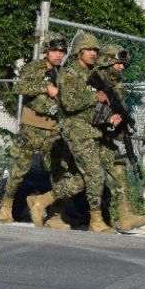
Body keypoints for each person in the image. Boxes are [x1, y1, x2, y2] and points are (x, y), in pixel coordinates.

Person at [0, 34, 67, 227]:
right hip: (31, 126)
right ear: (46, 51)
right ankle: (6, 206)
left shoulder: (65, 73)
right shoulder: (33, 68)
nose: (58, 55)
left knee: (59, 171)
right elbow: (20, 87)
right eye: (54, 51)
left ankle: (55, 215)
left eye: (61, 51)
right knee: (20, 169)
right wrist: (46, 87)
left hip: (54, 128)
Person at [56, 32, 116, 233]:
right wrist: (95, 97)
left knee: (84, 178)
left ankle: (41, 200)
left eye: (95, 50)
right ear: (79, 51)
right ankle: (96, 220)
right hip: (76, 131)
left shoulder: (93, 74)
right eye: (89, 49)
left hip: (92, 130)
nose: (93, 53)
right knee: (96, 174)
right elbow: (70, 103)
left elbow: (97, 105)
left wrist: (110, 116)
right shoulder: (69, 73)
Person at [91, 45, 145, 231]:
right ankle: (48, 207)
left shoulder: (117, 85)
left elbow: (116, 111)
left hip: (104, 136)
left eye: (123, 64)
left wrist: (120, 125)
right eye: (118, 63)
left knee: (118, 165)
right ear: (107, 61)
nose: (121, 67)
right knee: (76, 180)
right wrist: (107, 117)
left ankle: (125, 215)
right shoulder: (90, 79)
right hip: (84, 136)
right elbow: (86, 108)